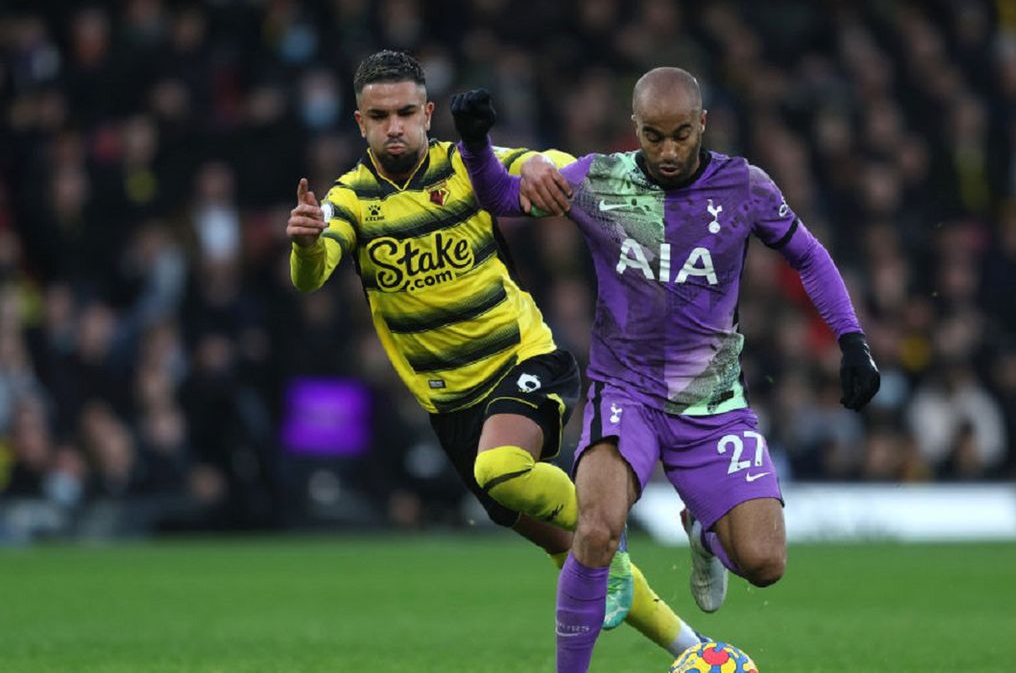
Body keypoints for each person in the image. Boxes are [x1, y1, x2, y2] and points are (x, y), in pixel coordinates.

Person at [452, 67, 881, 671]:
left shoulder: (746, 187)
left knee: (765, 564)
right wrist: (474, 146)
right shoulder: (598, 179)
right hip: (625, 392)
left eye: (682, 134)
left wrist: (852, 340)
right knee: (597, 530)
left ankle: (705, 532)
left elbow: (808, 255)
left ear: (702, 124)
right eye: (654, 137)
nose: (670, 150)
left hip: (713, 406)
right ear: (636, 129)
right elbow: (502, 199)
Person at [287, 51, 707, 659]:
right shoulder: (348, 201)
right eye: (380, 117)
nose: (395, 126)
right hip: (453, 408)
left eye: (407, 111)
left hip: (523, 361)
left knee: (504, 472)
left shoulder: (463, 166)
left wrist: (540, 161)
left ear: (429, 113)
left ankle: (613, 532)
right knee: (567, 546)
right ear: (360, 123)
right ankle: (696, 650)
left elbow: (552, 166)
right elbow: (314, 271)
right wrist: (304, 243)